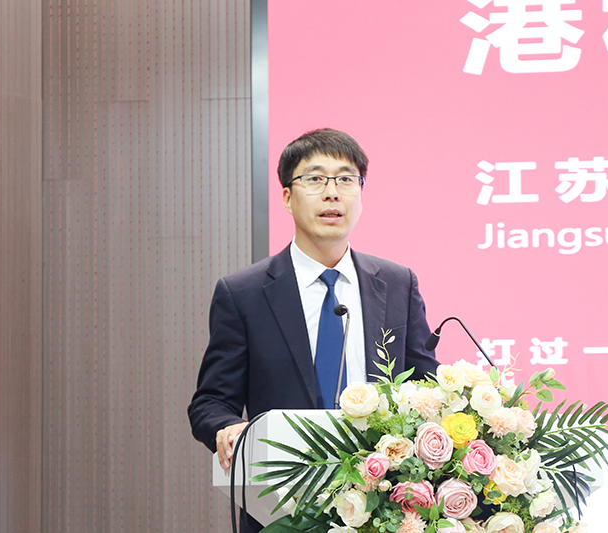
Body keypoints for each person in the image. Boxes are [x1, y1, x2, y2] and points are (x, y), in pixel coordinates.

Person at [187, 128, 439, 531]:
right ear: (287, 197)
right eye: (316, 179)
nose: (332, 193)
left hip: (384, 506)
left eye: (346, 179)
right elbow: (211, 401)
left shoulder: (396, 284)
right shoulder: (243, 293)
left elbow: (427, 386)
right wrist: (226, 427)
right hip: (283, 507)